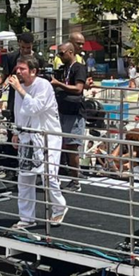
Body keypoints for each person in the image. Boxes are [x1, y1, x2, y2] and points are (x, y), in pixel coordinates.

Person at [7, 56, 68, 229]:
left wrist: (20, 90)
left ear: (33, 71)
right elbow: (19, 112)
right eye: (17, 68)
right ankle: (26, 218)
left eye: (22, 69)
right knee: (24, 178)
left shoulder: (43, 86)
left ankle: (59, 207)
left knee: (49, 176)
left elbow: (34, 108)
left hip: (47, 137)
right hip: (27, 137)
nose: (18, 71)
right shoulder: (19, 89)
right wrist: (16, 132)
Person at [51, 42, 87, 192]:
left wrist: (58, 83)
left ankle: (75, 181)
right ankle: (58, 178)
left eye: (62, 53)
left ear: (71, 52)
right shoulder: (63, 69)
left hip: (74, 112)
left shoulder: (79, 68)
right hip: (62, 111)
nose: (60, 56)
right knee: (60, 145)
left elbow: (78, 89)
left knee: (72, 146)